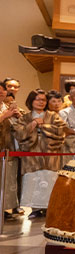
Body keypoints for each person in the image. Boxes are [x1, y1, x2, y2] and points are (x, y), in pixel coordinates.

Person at [15, 89, 67, 218]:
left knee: (49, 178)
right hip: (32, 155)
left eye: (43, 100)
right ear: (31, 101)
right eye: (37, 99)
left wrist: (44, 126)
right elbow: (18, 133)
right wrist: (32, 124)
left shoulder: (53, 116)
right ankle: (35, 208)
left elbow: (61, 131)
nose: (41, 102)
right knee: (33, 179)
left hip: (50, 154)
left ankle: (50, 207)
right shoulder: (25, 117)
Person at [0, 83, 22, 221]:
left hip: (7, 147)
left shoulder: (7, 106)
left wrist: (18, 116)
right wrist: (4, 116)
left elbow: (19, 127)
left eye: (2, 91)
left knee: (6, 180)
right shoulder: (5, 110)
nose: (1, 93)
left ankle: (4, 208)